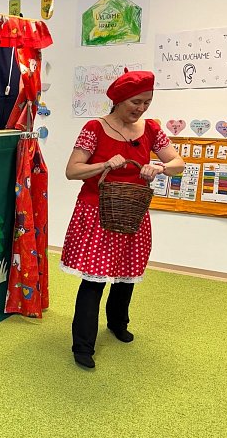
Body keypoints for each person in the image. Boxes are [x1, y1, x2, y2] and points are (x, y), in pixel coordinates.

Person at [61, 68, 184, 369]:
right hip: (97, 212)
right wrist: (104, 164)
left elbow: (178, 163)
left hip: (132, 212)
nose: (141, 109)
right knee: (94, 279)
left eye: (147, 102)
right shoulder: (94, 128)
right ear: (118, 100)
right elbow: (72, 170)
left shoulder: (151, 129)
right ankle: (83, 345)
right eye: (135, 102)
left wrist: (160, 167)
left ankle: (118, 322)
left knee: (126, 274)